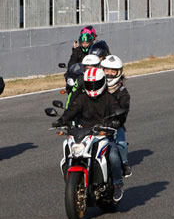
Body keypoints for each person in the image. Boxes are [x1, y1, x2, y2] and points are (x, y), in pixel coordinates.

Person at [53, 67, 125, 201]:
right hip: (83, 133)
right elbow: (72, 110)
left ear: (102, 82)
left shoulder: (109, 98)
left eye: (95, 84)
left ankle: (117, 185)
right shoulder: (81, 98)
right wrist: (61, 120)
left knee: (114, 156)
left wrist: (115, 121)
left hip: (102, 134)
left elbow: (116, 109)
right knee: (67, 148)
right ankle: (74, 184)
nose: (92, 87)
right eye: (89, 84)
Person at [101, 55, 132, 178]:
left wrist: (117, 121)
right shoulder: (97, 86)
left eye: (112, 71)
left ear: (118, 72)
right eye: (106, 70)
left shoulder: (122, 91)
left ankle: (124, 164)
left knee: (120, 142)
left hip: (114, 123)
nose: (108, 73)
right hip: (95, 122)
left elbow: (124, 110)